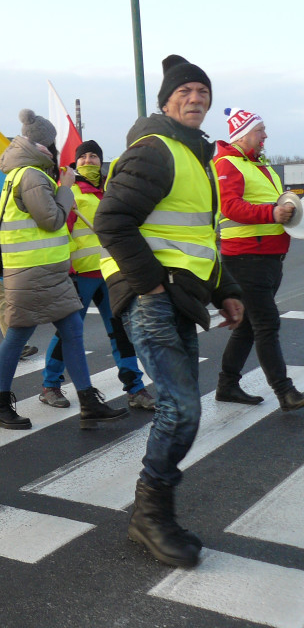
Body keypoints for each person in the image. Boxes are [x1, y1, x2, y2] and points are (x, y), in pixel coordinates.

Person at [96, 54, 244, 568]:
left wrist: (225, 289)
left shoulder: (195, 157)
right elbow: (111, 221)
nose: (196, 98)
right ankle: (150, 514)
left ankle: (152, 511)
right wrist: (151, 284)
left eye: (203, 92)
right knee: (181, 409)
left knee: (181, 409)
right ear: (166, 100)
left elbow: (200, 236)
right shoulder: (156, 150)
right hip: (152, 297)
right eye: (186, 92)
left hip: (179, 296)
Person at [0, 110, 127, 431]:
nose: (53, 151)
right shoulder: (32, 176)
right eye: (50, 145)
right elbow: (51, 220)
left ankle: (88, 401)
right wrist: (65, 187)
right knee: (20, 335)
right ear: (39, 145)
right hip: (33, 272)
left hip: (44, 272)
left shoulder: (21, 174)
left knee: (72, 333)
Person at [38, 139, 154, 410]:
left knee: (120, 333)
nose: (88, 161)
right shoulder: (69, 192)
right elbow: (60, 231)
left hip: (111, 273)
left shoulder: (110, 191)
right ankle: (50, 385)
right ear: (75, 162)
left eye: (93, 157)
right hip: (82, 275)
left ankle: (135, 389)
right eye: (83, 157)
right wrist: (66, 267)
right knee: (68, 332)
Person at [213, 108, 303, 409]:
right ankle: (285, 391)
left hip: (267, 257)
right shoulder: (227, 163)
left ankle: (227, 385)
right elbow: (230, 207)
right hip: (246, 258)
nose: (265, 136)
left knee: (249, 327)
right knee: (266, 325)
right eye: (260, 130)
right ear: (243, 134)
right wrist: (272, 213)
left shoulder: (256, 165)